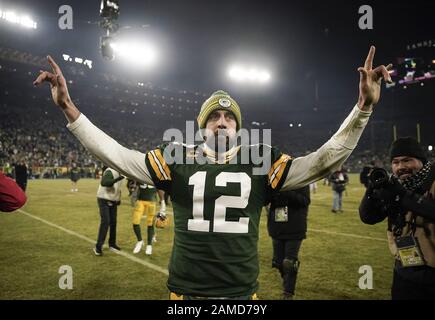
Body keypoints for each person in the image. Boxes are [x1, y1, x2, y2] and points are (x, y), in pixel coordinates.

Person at [34, 46, 392, 299]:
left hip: (240, 290)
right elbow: (119, 156)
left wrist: (362, 109)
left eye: (230, 117)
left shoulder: (260, 158)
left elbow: (321, 162)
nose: (222, 122)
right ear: (202, 126)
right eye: (214, 117)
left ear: (239, 125)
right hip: (185, 289)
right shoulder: (175, 157)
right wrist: (67, 106)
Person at [359, 137, 435, 300]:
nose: (401, 167)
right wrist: (371, 190)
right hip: (404, 270)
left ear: (421, 161)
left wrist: (401, 196)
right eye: (396, 162)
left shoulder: (430, 183)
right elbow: (368, 217)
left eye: (407, 160)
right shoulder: (396, 185)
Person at [267, 186, 310, 300]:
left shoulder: (301, 181)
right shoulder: (275, 181)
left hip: (295, 227)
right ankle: (287, 280)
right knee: (278, 262)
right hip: (277, 227)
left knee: (289, 263)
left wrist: (286, 191)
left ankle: (288, 292)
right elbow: (266, 200)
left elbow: (305, 201)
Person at [94, 166, 125, 256]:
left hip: (113, 199)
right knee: (106, 222)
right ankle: (98, 247)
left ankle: (112, 244)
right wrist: (119, 178)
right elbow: (104, 182)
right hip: (103, 198)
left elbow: (118, 188)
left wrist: (118, 198)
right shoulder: (110, 171)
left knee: (113, 222)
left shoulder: (121, 173)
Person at [132, 183, 166, 255]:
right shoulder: (141, 173)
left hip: (151, 201)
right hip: (140, 200)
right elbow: (136, 184)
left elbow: (160, 188)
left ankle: (149, 245)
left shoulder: (155, 174)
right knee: (135, 221)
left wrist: (163, 201)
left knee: (150, 223)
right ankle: (140, 241)